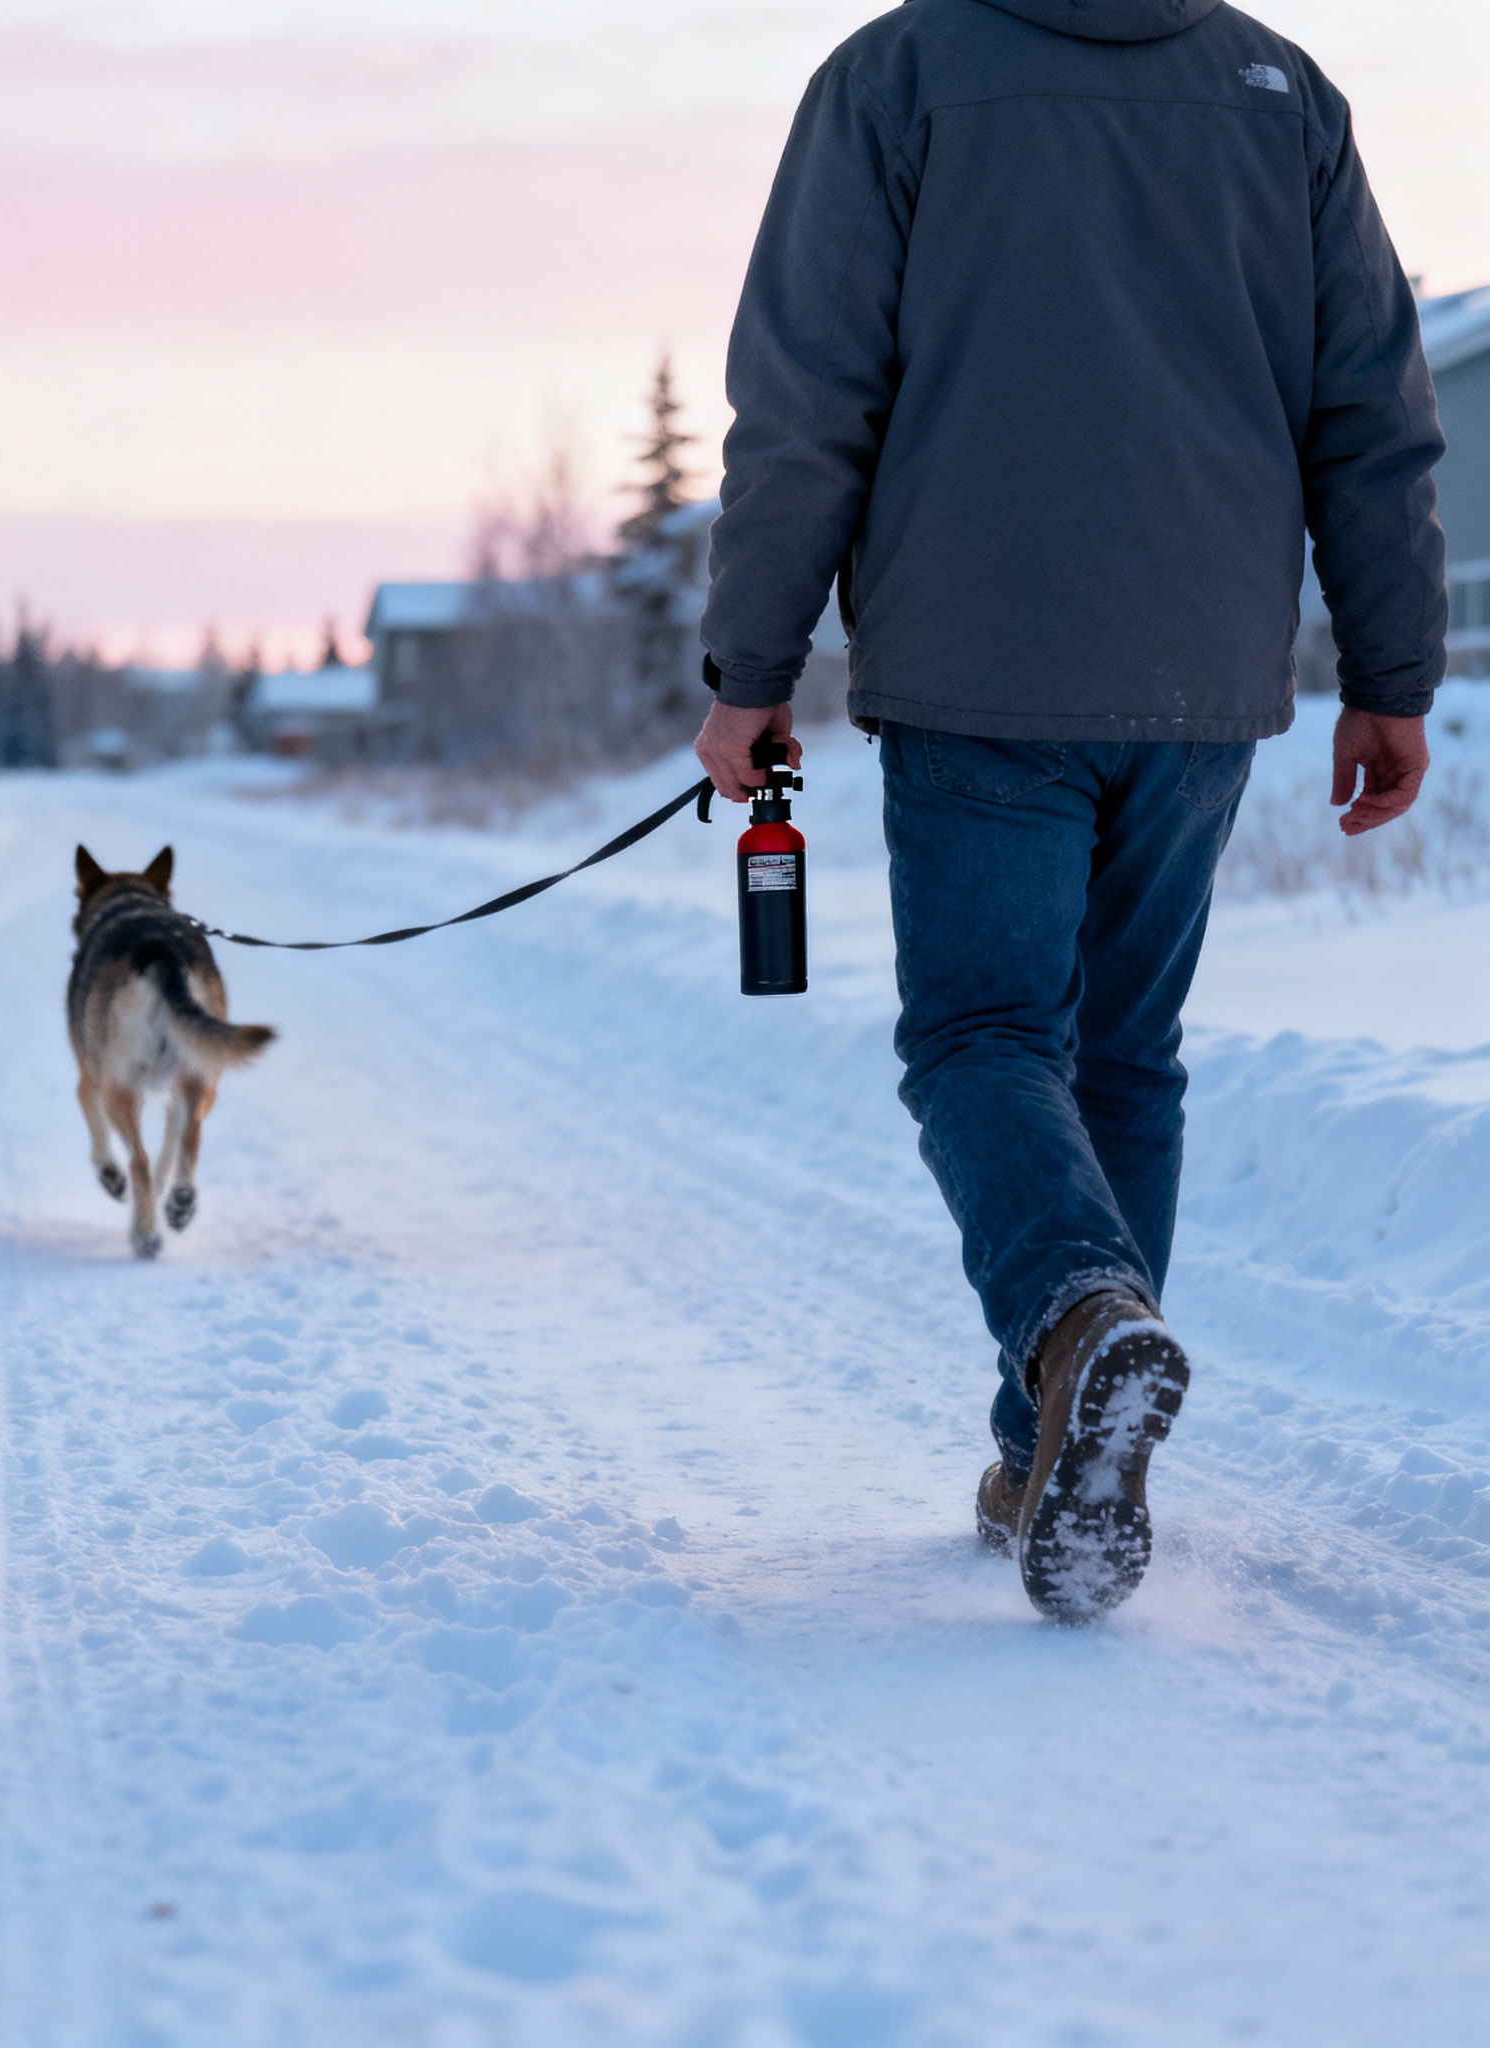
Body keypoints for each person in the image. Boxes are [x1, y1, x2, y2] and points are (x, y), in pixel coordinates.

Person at [694, 0, 1446, 1622]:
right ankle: (1049, 1450)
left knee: (983, 1039)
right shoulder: (1281, 93)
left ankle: (1078, 1321)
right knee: (1123, 1056)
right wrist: (1392, 671)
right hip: (1202, 671)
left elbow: (809, 397)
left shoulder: (897, 76)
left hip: (978, 664)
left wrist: (751, 666)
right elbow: (1373, 410)